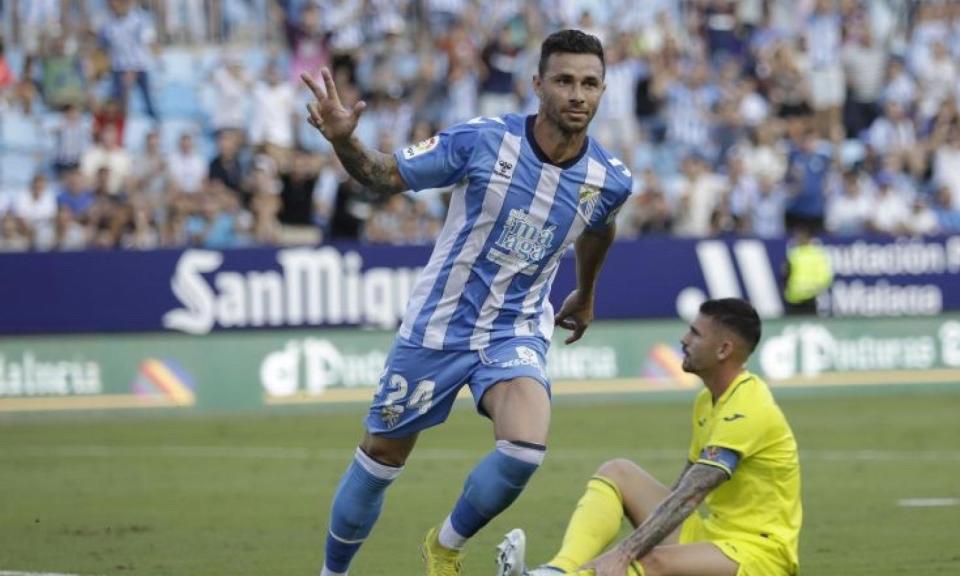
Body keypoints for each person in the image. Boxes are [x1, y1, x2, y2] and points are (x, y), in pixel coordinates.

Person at [301, 29, 633, 576]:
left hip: (516, 328)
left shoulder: (609, 179)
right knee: (382, 456)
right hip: (439, 326)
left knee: (525, 447)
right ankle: (332, 573)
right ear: (537, 86)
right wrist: (343, 141)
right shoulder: (482, 141)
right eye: (565, 81)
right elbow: (384, 174)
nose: (578, 94)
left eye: (591, 83)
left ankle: (445, 548)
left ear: (603, 91)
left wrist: (587, 292)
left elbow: (601, 227)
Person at [497, 298, 802, 576]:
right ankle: (557, 571)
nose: (683, 340)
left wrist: (624, 551)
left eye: (695, 334)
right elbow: (679, 492)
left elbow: (690, 495)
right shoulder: (706, 401)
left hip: (759, 556)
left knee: (651, 561)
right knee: (618, 472)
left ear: (723, 350)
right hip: (713, 536)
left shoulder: (747, 408)